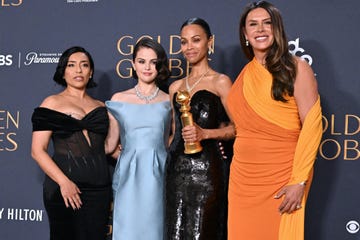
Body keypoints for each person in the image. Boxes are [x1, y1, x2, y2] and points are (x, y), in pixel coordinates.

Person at [226, 1, 323, 239]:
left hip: (283, 176)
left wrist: (298, 181)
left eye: (267, 23)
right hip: (242, 180)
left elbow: (311, 127)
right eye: (253, 24)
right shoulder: (244, 74)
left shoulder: (297, 68)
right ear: (245, 34)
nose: (260, 30)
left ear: (277, 29)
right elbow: (242, 126)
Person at [31, 46, 112, 240]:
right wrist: (64, 182)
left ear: (90, 72)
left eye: (84, 65)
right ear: (63, 71)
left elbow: (105, 147)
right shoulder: (51, 103)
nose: (78, 70)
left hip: (99, 190)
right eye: (72, 65)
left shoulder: (101, 107)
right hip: (65, 189)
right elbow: (37, 151)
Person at [165, 17, 235, 240]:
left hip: (208, 171)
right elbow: (175, 133)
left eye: (196, 40)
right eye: (184, 42)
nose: (189, 47)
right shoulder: (175, 87)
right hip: (176, 170)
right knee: (175, 233)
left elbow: (239, 128)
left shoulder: (221, 82)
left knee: (202, 232)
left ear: (209, 42)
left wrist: (206, 133)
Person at [105, 38, 171, 240]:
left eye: (153, 62)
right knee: (128, 229)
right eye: (142, 61)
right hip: (128, 175)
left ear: (160, 65)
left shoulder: (169, 100)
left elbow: (174, 140)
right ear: (133, 64)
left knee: (155, 229)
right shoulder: (119, 100)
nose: (148, 67)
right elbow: (110, 144)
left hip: (159, 174)